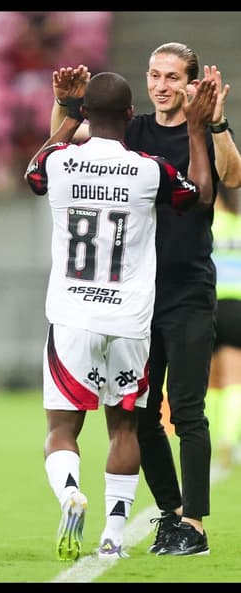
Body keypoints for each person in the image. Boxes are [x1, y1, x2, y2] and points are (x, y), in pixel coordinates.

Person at [51, 43, 241, 557]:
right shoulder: (131, 132)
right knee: (141, 415)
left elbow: (233, 176)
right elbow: (64, 148)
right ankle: (173, 514)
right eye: (155, 75)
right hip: (136, 299)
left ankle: (196, 528)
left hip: (188, 291)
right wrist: (66, 107)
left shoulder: (202, 128)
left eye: (173, 77)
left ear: (192, 84)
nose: (161, 85)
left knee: (187, 411)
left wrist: (216, 124)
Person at [208, 184, 241, 468]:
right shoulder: (237, 225)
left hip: (207, 304)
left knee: (212, 379)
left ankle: (213, 435)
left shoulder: (206, 224)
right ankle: (228, 437)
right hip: (236, 304)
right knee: (234, 376)